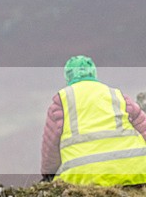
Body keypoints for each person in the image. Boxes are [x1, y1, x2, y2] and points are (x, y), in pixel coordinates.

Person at [41, 55, 146, 186]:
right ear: (93, 73)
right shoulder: (117, 95)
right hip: (135, 170)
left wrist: (48, 174)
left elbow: (51, 145)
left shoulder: (62, 102)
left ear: (68, 76)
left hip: (84, 176)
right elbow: (143, 127)